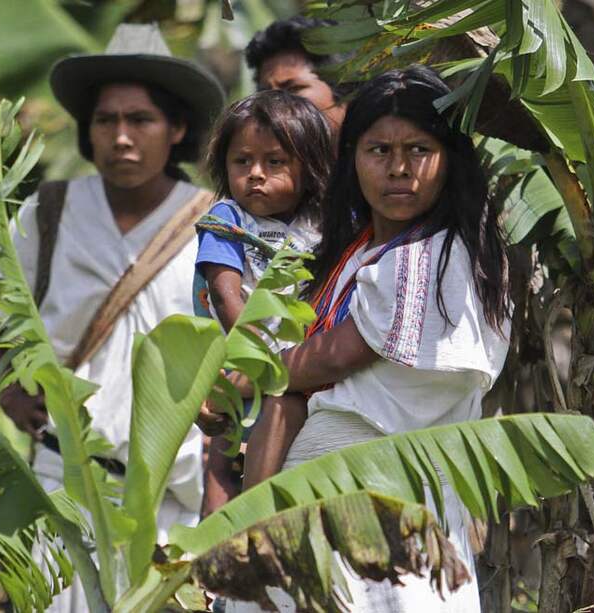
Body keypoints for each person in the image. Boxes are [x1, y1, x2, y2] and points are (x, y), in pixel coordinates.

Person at [215, 65, 511, 612]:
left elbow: (337, 353)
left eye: (418, 150)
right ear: (351, 158)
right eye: (378, 150)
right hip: (317, 524)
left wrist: (256, 374)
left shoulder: (439, 257)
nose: (399, 168)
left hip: (385, 524)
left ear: (450, 158)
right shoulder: (355, 254)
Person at [0, 23, 224, 612]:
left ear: (176, 128)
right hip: (64, 484)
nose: (121, 137)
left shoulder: (215, 223)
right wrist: (8, 389)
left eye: (141, 120)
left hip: (174, 495)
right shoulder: (50, 211)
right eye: (107, 121)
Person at [194, 89, 332, 516]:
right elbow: (223, 292)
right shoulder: (227, 219)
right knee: (223, 455)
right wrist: (255, 354)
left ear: (309, 168)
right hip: (238, 357)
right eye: (242, 161)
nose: (256, 174)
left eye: (275, 162)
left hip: (301, 365)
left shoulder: (323, 225)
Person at [245, 16, 352, 146]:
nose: (274, 108)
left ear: (345, 93)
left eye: (293, 90)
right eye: (266, 96)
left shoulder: (379, 162)